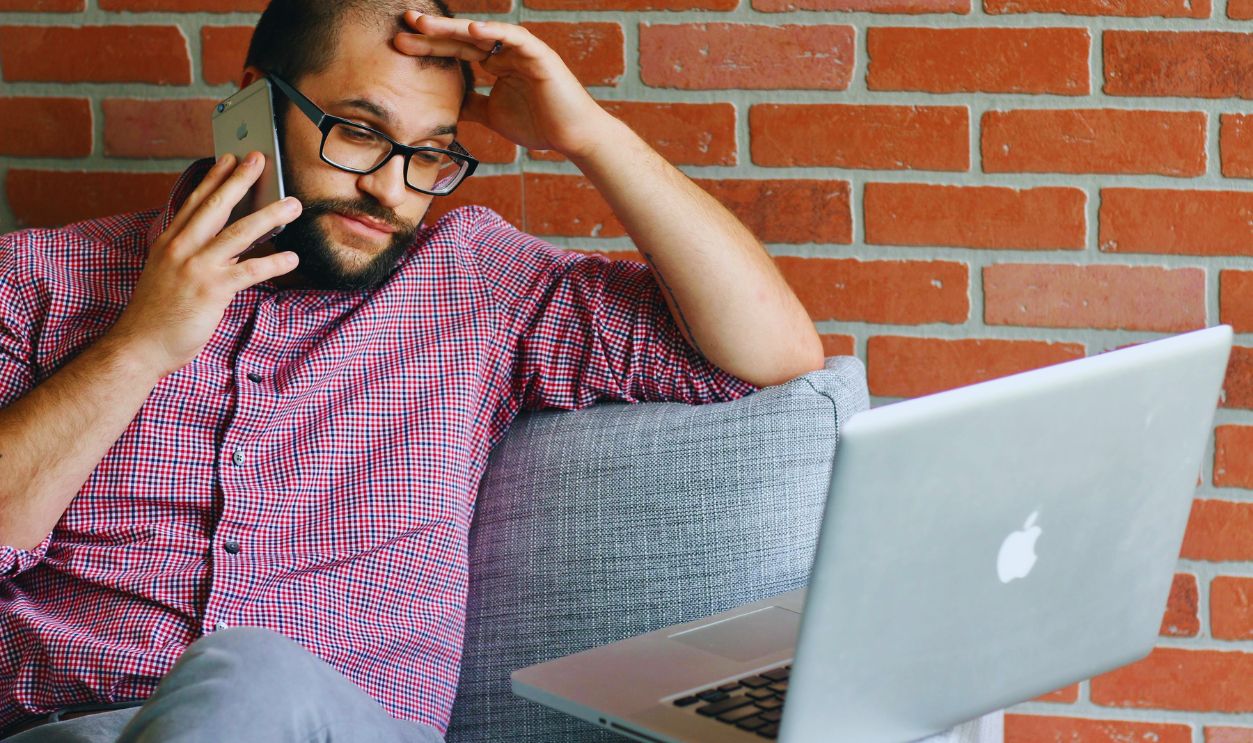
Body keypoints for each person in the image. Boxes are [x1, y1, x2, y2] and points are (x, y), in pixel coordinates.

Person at [0, 0, 824, 740]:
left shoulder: (474, 285)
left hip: (344, 729)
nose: (391, 190)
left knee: (250, 672)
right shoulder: (40, 279)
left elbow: (770, 350)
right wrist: (139, 344)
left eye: (429, 155)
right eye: (357, 132)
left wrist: (588, 133)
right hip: (64, 732)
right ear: (254, 101)